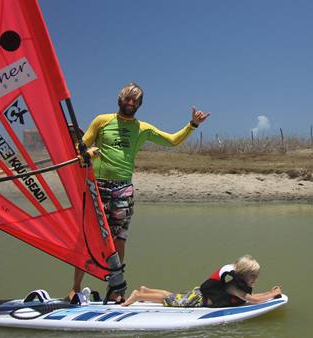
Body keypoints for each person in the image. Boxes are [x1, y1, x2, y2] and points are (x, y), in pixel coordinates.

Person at [70, 82, 210, 301]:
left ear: (140, 104)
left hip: (123, 188)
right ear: (120, 100)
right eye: (128, 98)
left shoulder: (142, 128)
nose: (131, 102)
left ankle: (116, 289)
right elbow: (82, 145)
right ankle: (76, 287)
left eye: (135, 100)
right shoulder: (102, 120)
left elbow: (172, 141)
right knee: (88, 237)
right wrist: (87, 151)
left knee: (119, 240)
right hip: (97, 185)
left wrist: (192, 124)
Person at [121, 255, 283, 308]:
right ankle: (136, 296)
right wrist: (272, 294)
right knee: (169, 300)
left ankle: (145, 291)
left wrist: (271, 293)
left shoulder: (236, 284)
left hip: (199, 295)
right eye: (253, 276)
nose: (256, 279)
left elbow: (249, 296)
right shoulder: (234, 288)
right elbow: (252, 299)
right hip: (198, 300)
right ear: (243, 276)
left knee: (172, 295)